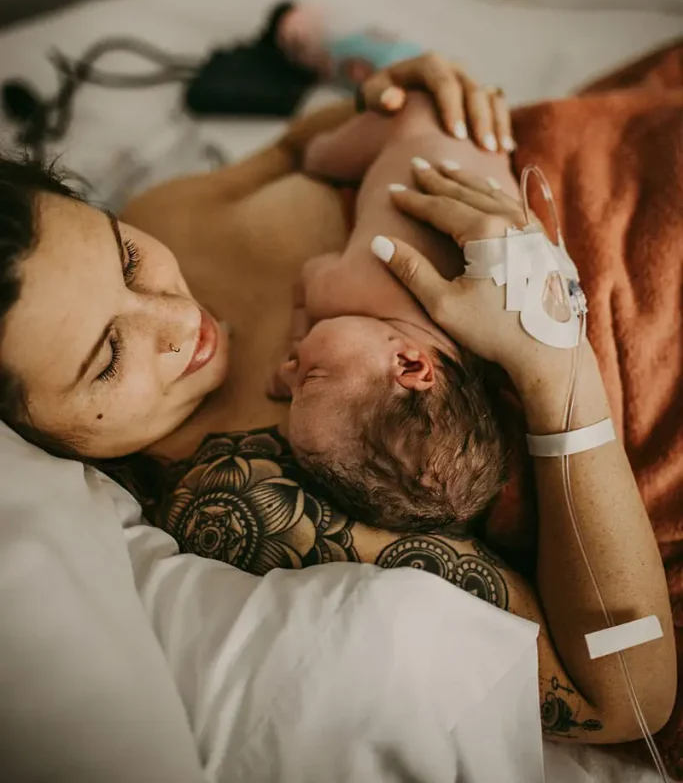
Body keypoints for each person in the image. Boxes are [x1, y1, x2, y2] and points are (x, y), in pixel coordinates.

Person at [0, 53, 675, 747]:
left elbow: (302, 146)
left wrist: (401, 101)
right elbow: (621, 698)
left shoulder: (166, 214)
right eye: (108, 359)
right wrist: (555, 367)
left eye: (128, 259)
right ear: (28, 432)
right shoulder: (249, 495)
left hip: (612, 150)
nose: (177, 320)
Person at [268, 89, 513, 531]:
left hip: (487, 135)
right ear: (408, 362)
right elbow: (309, 272)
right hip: (410, 118)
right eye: (310, 376)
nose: (287, 370)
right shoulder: (344, 289)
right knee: (315, 157)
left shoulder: (494, 345)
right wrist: (297, 333)